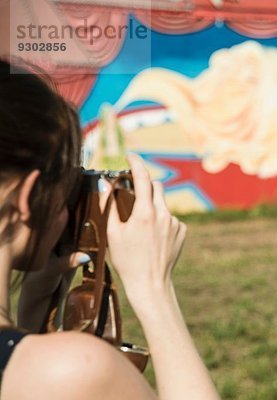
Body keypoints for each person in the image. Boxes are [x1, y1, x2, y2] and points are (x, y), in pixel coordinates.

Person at [0, 59, 220, 399]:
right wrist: (154, 291)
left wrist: (36, 304)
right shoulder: (74, 371)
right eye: (65, 190)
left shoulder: (36, 366)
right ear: (27, 198)